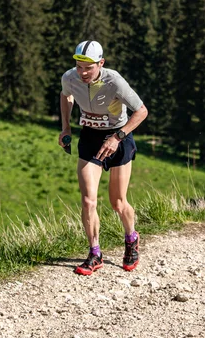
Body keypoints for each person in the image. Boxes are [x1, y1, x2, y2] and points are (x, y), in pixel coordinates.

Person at [59, 40, 149, 275]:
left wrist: (117, 137)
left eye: (88, 68)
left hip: (119, 138)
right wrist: (66, 127)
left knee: (117, 202)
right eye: (79, 67)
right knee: (88, 201)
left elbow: (141, 111)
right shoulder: (69, 78)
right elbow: (66, 96)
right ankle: (95, 253)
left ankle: (131, 238)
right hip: (90, 139)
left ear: (101, 63)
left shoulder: (114, 81)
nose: (83, 72)